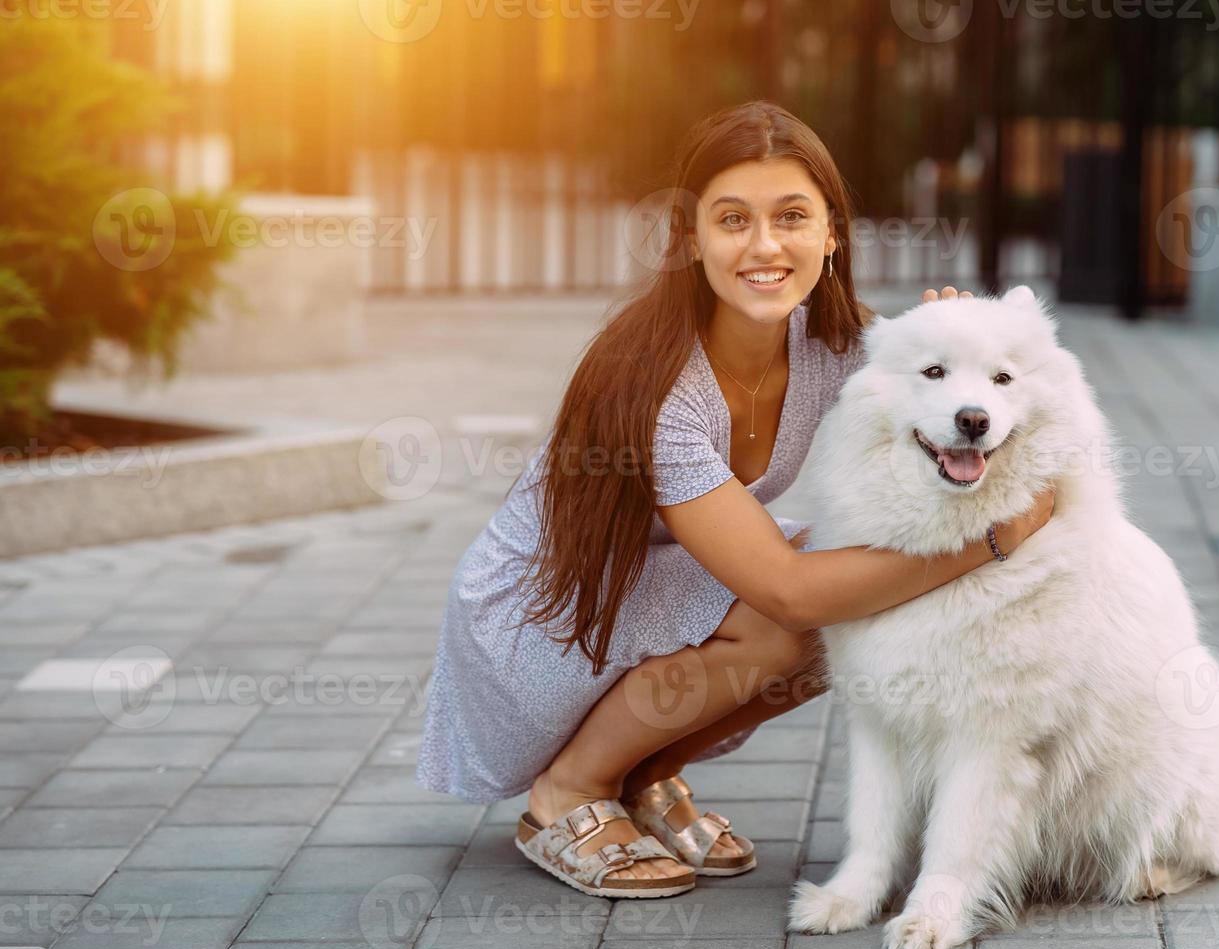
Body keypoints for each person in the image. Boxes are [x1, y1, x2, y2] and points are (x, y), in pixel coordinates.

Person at [416, 100, 1056, 898]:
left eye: (791, 216)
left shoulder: (837, 346)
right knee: (799, 614)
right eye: (731, 219)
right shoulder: (654, 387)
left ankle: (641, 773)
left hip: (656, 572)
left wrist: (954, 350)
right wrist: (993, 539)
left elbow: (961, 387)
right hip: (541, 611)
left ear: (831, 235)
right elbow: (786, 594)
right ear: (691, 239)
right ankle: (568, 794)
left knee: (868, 612)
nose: (763, 246)